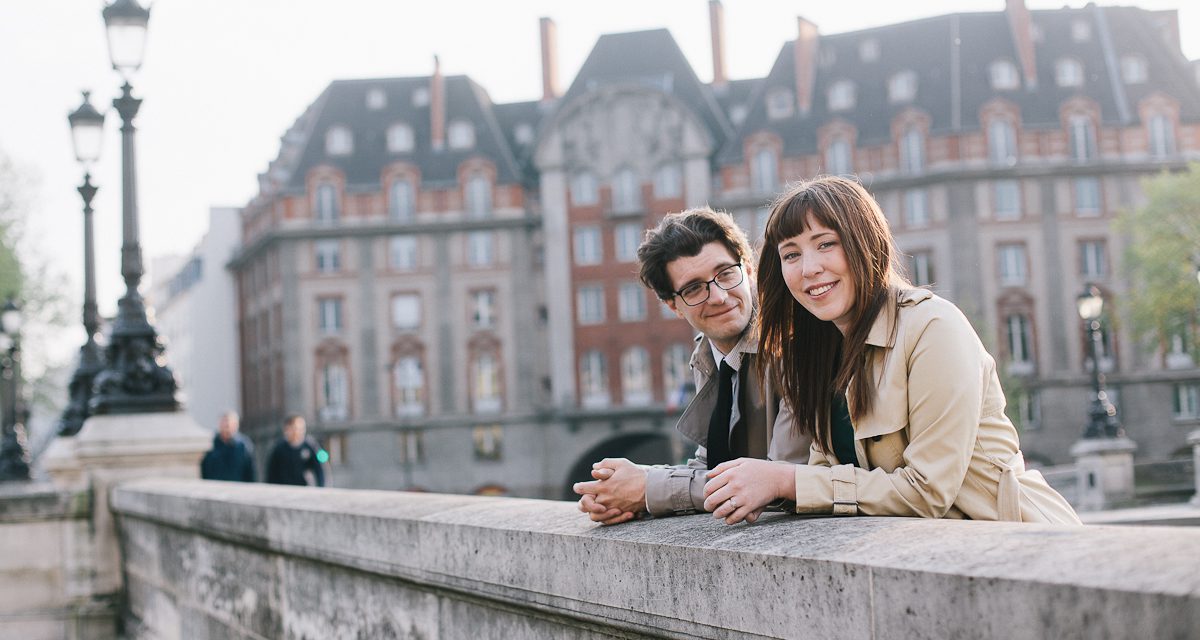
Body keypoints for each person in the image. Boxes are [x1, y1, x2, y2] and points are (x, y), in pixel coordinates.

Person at [702, 176, 1080, 525]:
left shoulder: (933, 327)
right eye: (791, 254)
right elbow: (826, 480)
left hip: (1021, 541)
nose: (809, 269)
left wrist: (786, 481)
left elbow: (928, 492)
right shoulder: (819, 354)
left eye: (826, 244)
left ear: (865, 242)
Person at [572, 207, 810, 525]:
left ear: (749, 270)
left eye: (726, 273)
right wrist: (624, 491)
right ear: (673, 305)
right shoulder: (707, 355)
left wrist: (646, 489)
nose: (719, 297)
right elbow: (712, 466)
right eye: (694, 288)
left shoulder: (792, 345)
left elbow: (777, 482)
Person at [265, 414, 326, 487]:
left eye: (300, 428)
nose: (296, 432)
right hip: (284, 488)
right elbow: (271, 473)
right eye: (293, 429)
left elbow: (320, 469)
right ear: (286, 430)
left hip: (304, 488)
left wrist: (321, 487)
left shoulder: (311, 446)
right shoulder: (279, 448)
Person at [200, 411, 256, 482]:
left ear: (236, 425)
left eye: (229, 425)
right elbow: (205, 470)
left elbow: (250, 472)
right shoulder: (211, 445)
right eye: (224, 424)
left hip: (238, 486)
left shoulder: (244, 446)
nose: (226, 427)